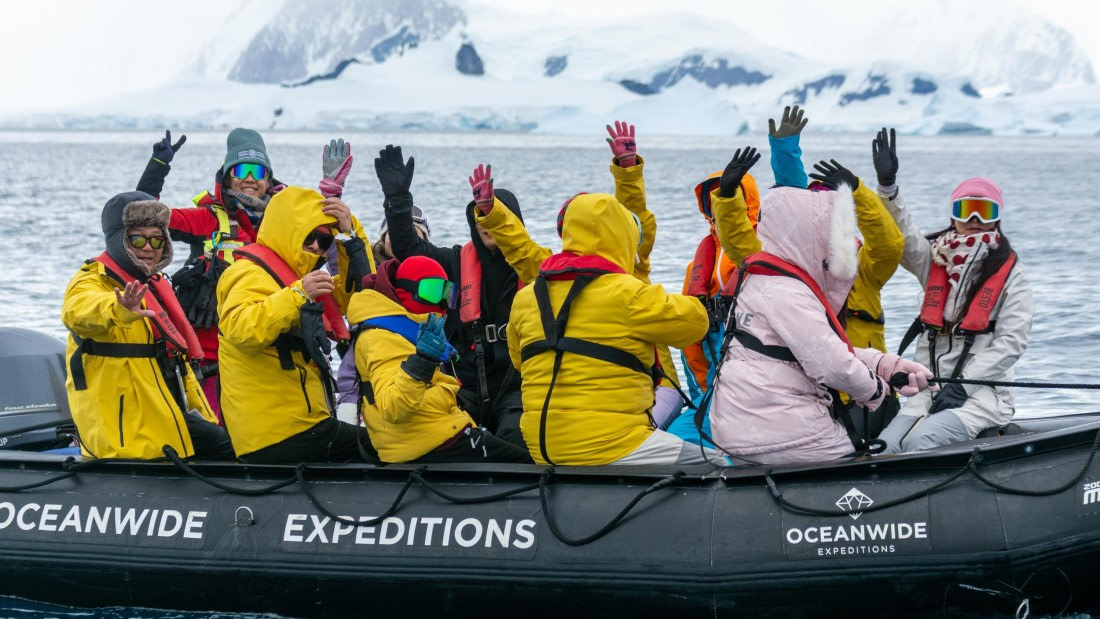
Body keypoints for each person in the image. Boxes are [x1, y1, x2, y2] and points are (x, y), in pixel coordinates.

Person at [708, 161, 933, 464]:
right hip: (816, 407)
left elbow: (889, 245)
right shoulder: (788, 291)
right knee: (860, 461)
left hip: (816, 400)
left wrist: (884, 364)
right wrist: (877, 389)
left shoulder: (774, 281)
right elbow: (832, 363)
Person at [471, 122, 688, 429]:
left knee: (640, 430)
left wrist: (628, 172)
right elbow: (520, 248)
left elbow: (636, 219)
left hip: (655, 383)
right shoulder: (553, 271)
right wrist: (493, 214)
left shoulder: (631, 265)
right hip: (593, 389)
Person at [506, 192, 719, 466]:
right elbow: (695, 325)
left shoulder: (526, 298)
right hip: (612, 444)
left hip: (542, 447)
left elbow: (519, 361)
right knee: (716, 464)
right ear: (622, 235)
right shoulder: (627, 293)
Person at [374, 145, 527, 450]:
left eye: (496, 215)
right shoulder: (454, 262)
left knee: (516, 439)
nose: (487, 223)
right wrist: (398, 202)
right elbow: (408, 250)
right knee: (436, 438)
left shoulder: (535, 268)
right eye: (480, 216)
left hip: (516, 387)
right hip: (462, 383)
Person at [62, 191, 232, 460]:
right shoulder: (92, 279)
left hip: (168, 406)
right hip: (128, 422)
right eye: (138, 238)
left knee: (233, 449)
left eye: (157, 239)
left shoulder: (154, 281)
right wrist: (118, 308)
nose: (149, 247)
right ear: (119, 240)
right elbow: (77, 312)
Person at [876, 167, 1033, 453]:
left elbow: (1012, 342)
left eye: (983, 211)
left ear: (996, 217)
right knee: (885, 448)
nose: (974, 220)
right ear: (953, 216)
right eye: (965, 210)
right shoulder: (934, 259)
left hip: (982, 395)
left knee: (921, 441)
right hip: (926, 393)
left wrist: (963, 387)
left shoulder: (1012, 274)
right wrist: (888, 190)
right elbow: (904, 235)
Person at [216, 186, 378, 464]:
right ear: (289, 231)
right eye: (310, 236)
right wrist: (299, 295)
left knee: (383, 440)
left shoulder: (300, 277)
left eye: (325, 241)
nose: (317, 246)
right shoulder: (248, 273)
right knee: (386, 444)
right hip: (277, 432)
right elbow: (242, 329)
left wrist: (350, 235)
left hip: (300, 424)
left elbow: (362, 299)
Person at [346, 256, 533, 464]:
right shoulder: (383, 337)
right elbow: (394, 407)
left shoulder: (409, 330)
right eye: (432, 291)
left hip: (435, 434)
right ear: (404, 291)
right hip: (427, 443)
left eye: (447, 294)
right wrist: (423, 361)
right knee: (525, 465)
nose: (442, 303)